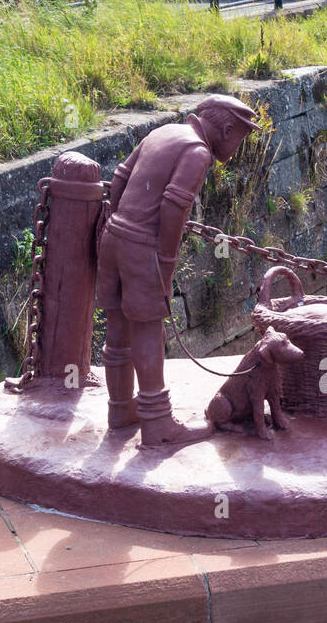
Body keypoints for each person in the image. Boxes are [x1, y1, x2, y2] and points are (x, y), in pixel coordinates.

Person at [97, 94, 261, 447]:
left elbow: (120, 179)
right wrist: (166, 259)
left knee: (117, 323)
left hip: (114, 238)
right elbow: (173, 208)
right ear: (227, 128)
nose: (236, 148)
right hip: (142, 248)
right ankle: (157, 424)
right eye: (239, 140)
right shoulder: (198, 152)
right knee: (147, 328)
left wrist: (116, 225)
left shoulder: (163, 133)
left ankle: (122, 408)